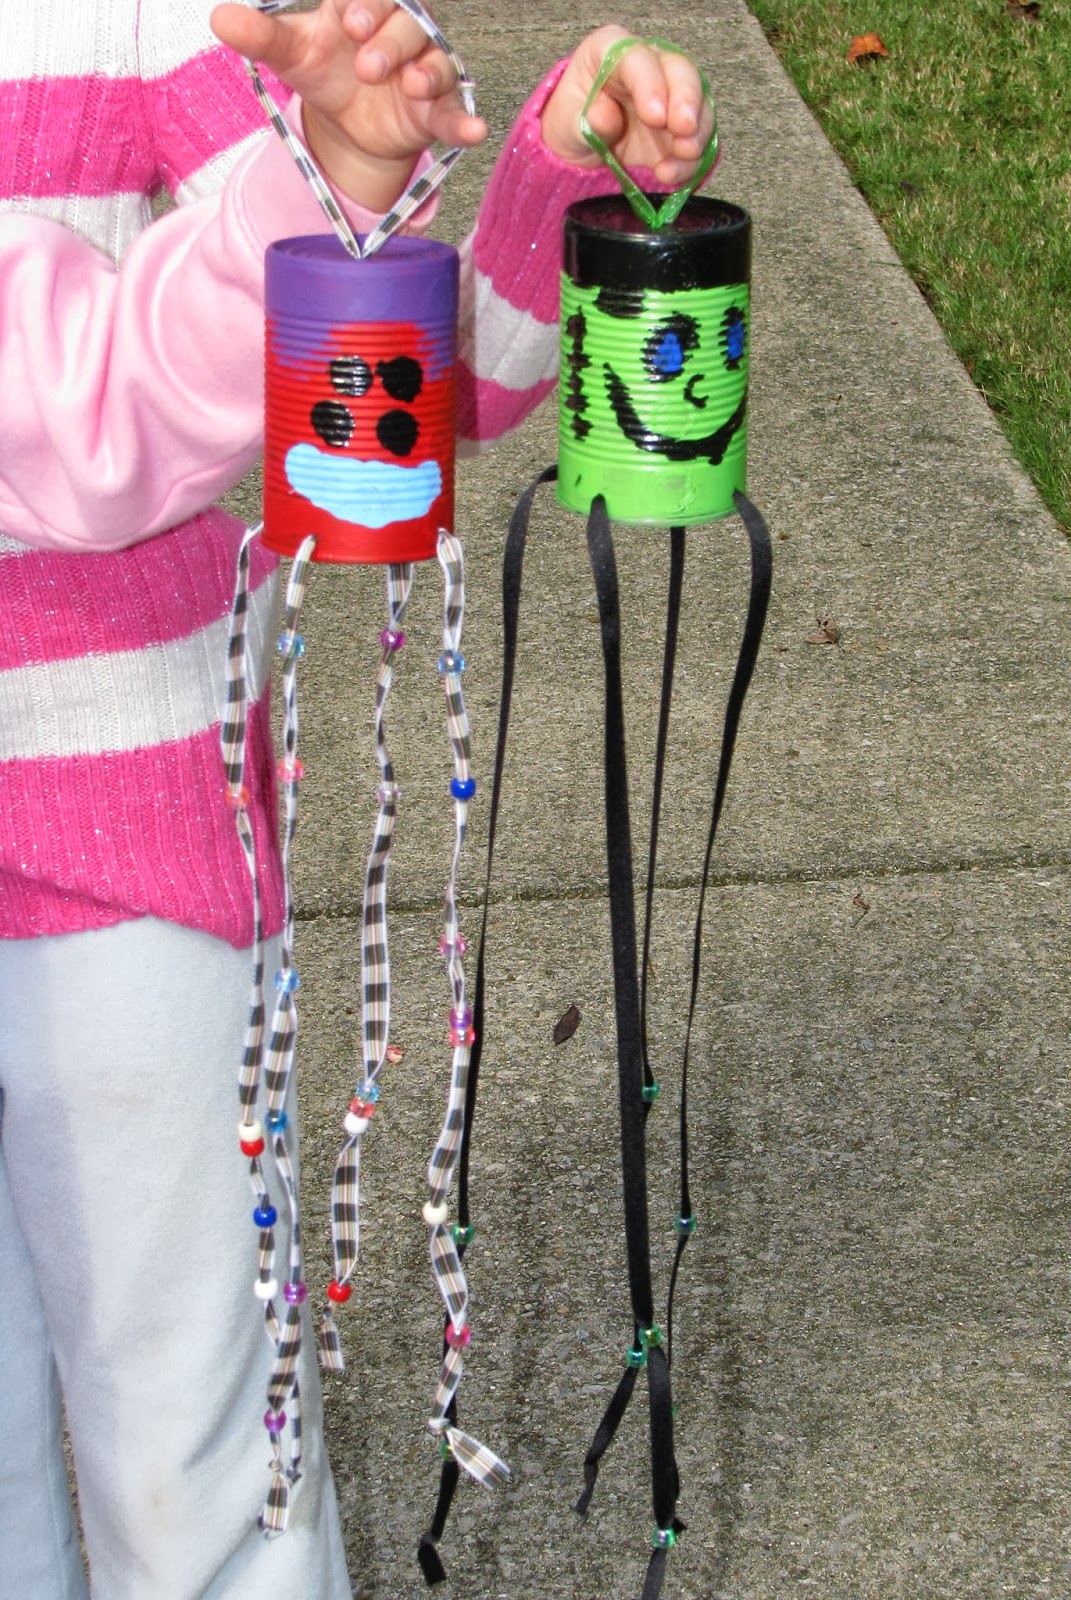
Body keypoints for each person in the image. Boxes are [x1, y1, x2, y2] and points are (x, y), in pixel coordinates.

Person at [0, 3, 711, 1596]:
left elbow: (405, 386)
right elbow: (85, 411)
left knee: (198, 1447)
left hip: (110, 824)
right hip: (119, 791)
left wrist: (515, 183)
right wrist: (292, 208)